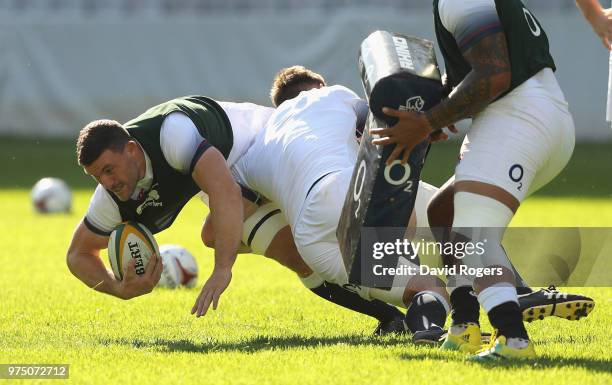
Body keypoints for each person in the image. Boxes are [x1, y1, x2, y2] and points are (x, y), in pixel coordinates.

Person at [66, 95, 413, 334]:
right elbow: (78, 254)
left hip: (273, 146)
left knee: (335, 232)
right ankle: (393, 316)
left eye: (109, 170)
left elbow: (224, 192)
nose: (107, 182)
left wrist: (222, 269)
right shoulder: (111, 194)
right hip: (242, 177)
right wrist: (117, 288)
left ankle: (441, 283)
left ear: (130, 149)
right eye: (98, 176)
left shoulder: (171, 133)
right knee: (298, 254)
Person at [370, 0, 582, 360]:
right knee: (444, 215)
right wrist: (440, 109)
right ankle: (464, 326)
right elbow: (486, 66)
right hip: (534, 115)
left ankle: (513, 339)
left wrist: (428, 121)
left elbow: (494, 74)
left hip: (520, 117)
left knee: (472, 236)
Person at [233, 66, 453, 339]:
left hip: (311, 239)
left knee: (425, 285)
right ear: (319, 85)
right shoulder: (330, 95)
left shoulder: (260, 144)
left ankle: (426, 331)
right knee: (456, 218)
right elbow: (381, 118)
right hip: (349, 190)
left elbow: (222, 223)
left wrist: (250, 244)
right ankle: (510, 292)